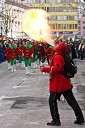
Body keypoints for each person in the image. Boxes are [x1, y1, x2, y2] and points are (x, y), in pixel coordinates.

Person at [40, 42, 84, 126]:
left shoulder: (58, 56)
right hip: (65, 82)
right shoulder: (62, 55)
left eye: (57, 45)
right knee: (71, 100)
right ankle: (80, 118)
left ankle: (56, 120)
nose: (55, 45)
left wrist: (44, 69)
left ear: (59, 48)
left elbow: (56, 68)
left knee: (52, 101)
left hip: (58, 83)